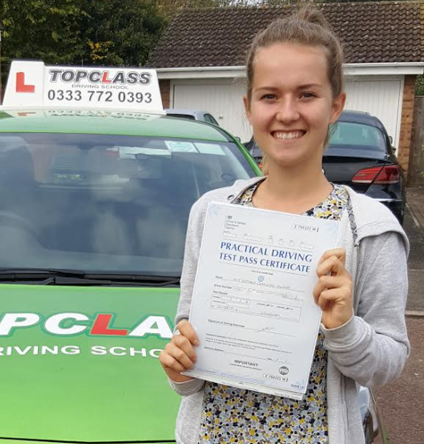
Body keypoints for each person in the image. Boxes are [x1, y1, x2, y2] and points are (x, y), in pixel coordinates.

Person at [159, 6, 409, 444]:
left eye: (307, 94)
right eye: (270, 96)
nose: (287, 113)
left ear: (336, 105)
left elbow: (389, 361)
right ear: (249, 108)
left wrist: (345, 327)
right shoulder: (213, 213)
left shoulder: (369, 229)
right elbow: (190, 343)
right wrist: (180, 367)